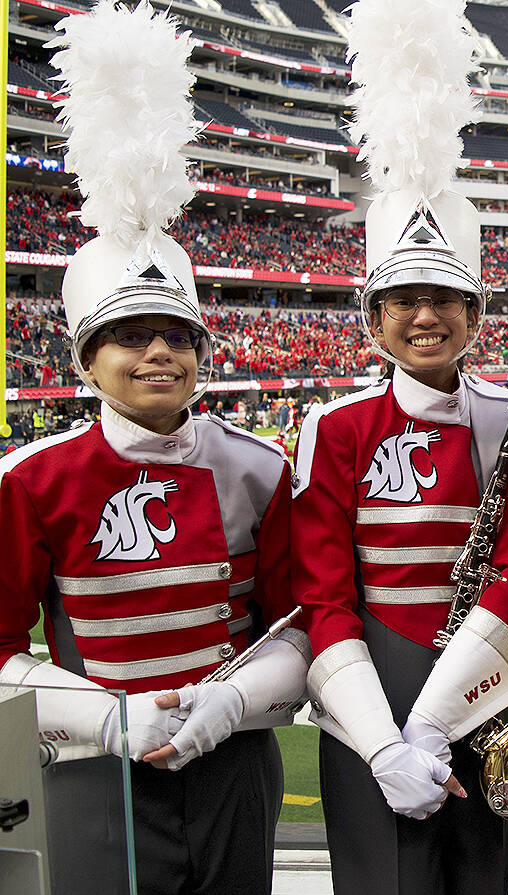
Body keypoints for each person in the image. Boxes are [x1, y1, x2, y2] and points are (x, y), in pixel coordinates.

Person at [0, 4, 307, 893]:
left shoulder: (259, 465)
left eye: (175, 332)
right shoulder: (32, 478)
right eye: (129, 335)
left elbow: (296, 624)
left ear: (203, 348)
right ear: (86, 357)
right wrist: (107, 718)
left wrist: (233, 704)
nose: (157, 353)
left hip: (233, 766)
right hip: (96, 766)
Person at [292, 1, 508, 891]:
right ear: (374, 317)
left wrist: (439, 716)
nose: (427, 315)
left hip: (483, 687)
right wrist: (383, 737)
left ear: (477, 313)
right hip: (369, 697)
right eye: (404, 299)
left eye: (446, 297)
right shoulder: (334, 428)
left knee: (484, 878)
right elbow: (321, 594)